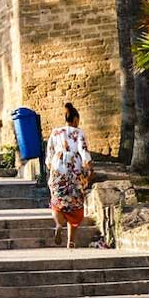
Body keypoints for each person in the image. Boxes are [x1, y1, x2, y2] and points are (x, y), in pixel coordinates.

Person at [46, 102, 94, 248]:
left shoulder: (55, 132)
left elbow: (49, 154)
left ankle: (58, 224)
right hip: (74, 171)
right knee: (75, 206)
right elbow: (83, 151)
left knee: (57, 203)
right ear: (75, 119)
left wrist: (52, 168)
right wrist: (89, 167)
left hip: (57, 170)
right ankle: (71, 241)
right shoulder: (78, 133)